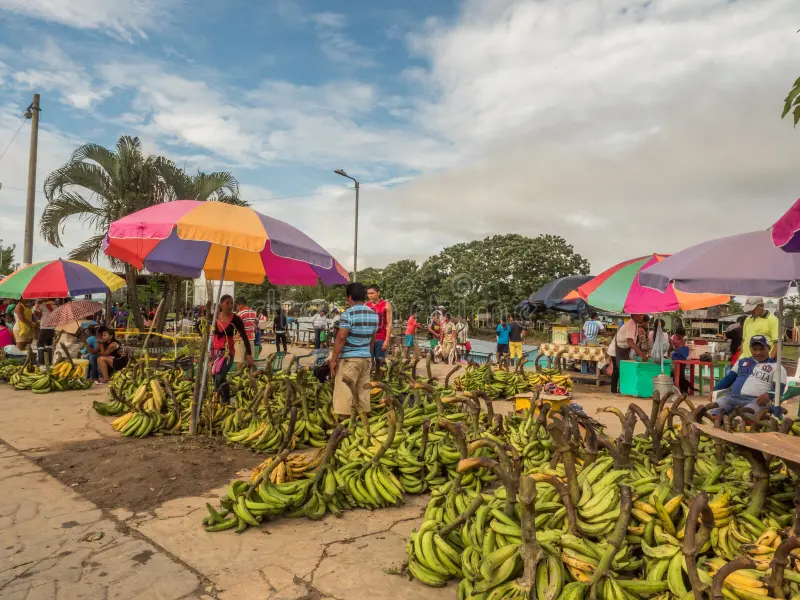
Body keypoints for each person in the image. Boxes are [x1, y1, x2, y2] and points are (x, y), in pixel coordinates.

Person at [329, 282, 379, 417]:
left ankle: (344, 427)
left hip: (350, 360)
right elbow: (372, 340)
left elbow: (341, 337)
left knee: (344, 395)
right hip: (366, 358)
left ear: (349, 297)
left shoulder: (348, 314)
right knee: (363, 393)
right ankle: (363, 424)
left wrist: (333, 360)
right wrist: (370, 357)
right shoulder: (374, 314)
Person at [712, 335, 786, 417]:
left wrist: (769, 395)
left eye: (762, 349)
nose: (758, 353)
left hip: (755, 401)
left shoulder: (777, 367)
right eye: (755, 349)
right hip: (732, 398)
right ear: (750, 350)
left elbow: (780, 388)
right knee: (716, 409)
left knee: (746, 416)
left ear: (768, 348)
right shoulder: (742, 362)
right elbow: (728, 379)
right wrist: (714, 390)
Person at [211, 295, 253, 404]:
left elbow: (244, 336)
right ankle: (218, 398)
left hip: (228, 353)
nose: (230, 306)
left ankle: (226, 400)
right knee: (214, 375)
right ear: (221, 304)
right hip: (214, 352)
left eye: (231, 303)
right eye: (227, 303)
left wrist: (249, 354)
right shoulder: (214, 317)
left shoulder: (236, 319)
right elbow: (200, 325)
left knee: (220, 376)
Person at [609, 314, 647, 394]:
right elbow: (630, 342)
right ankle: (614, 391)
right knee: (617, 371)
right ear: (634, 315)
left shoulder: (635, 324)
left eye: (643, 315)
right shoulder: (630, 324)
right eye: (640, 315)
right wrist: (641, 354)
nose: (642, 316)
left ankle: (620, 389)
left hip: (623, 349)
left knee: (622, 370)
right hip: (615, 350)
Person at [366, 284, 393, 362]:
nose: (370, 295)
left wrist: (387, 340)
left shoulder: (386, 305)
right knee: (369, 362)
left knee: (380, 362)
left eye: (372, 293)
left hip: (381, 338)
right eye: (368, 293)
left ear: (378, 293)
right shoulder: (366, 305)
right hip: (368, 339)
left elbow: (389, 324)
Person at [234, 296, 258, 372]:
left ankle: (238, 376)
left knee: (240, 361)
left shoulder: (239, 314)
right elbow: (255, 324)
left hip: (241, 340)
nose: (237, 308)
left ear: (241, 305)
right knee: (250, 360)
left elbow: (236, 327)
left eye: (237, 306)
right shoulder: (254, 313)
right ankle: (249, 375)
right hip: (250, 339)